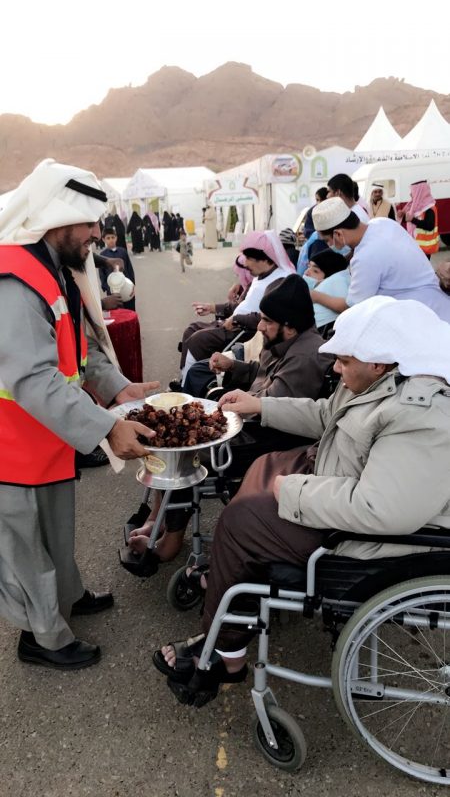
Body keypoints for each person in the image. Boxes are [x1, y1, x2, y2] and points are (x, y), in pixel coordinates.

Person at [152, 296, 450, 706]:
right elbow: (329, 416)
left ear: (380, 362)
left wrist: (292, 491)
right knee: (263, 467)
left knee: (241, 522)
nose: (335, 369)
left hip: (370, 537)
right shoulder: (386, 380)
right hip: (339, 480)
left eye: (344, 361)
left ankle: (226, 654)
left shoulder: (423, 412)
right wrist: (261, 406)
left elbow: (379, 508)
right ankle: (237, 576)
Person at [0, 159, 159, 669]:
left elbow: (78, 352)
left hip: (44, 437)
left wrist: (118, 390)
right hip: (10, 447)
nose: (97, 232)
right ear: (57, 217)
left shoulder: (54, 270)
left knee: (55, 532)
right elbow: (33, 379)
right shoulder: (14, 280)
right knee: (25, 548)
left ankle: (65, 601)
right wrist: (108, 429)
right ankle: (42, 636)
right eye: (89, 222)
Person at [128, 275, 334, 564]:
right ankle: (157, 519)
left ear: (289, 325)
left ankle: (171, 539)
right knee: (171, 435)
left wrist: (229, 406)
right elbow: (264, 376)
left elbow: (274, 407)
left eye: (266, 321)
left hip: (270, 438)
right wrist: (234, 366)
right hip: (252, 422)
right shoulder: (289, 340)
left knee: (186, 453)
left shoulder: (306, 357)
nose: (260, 326)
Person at [174, 230, 296, 386]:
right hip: (235, 325)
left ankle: (189, 386)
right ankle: (184, 380)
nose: (245, 264)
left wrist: (237, 318)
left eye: (250, 258)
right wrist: (212, 308)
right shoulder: (261, 276)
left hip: (249, 332)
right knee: (191, 329)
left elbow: (269, 318)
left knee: (198, 340)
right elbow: (243, 304)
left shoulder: (281, 281)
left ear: (266, 259)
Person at [311, 196, 450, 322]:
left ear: (338, 234)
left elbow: (351, 307)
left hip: (424, 317)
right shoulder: (382, 223)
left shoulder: (365, 257)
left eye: (327, 240)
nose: (329, 246)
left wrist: (316, 296)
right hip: (439, 302)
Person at [303, 248, 350, 332]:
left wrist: (315, 296)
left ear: (328, 279)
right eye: (308, 267)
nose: (306, 272)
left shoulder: (337, 282)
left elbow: (346, 306)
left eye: (315, 271)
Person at [397, 180, 439, 259]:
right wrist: (402, 216)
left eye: (412, 192)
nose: (410, 194)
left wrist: (413, 220)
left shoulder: (429, 208)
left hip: (424, 247)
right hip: (416, 246)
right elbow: (410, 221)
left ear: (419, 193)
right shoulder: (414, 206)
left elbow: (429, 226)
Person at [99, 227, 136, 310]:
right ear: (103, 239)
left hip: (126, 287)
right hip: (113, 291)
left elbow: (129, 268)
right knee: (117, 312)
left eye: (113, 237)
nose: (111, 240)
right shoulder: (102, 255)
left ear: (116, 238)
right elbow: (102, 274)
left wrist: (132, 283)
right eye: (108, 238)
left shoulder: (123, 251)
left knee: (129, 309)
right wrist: (106, 287)